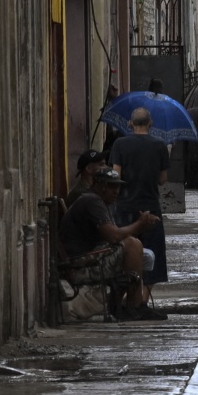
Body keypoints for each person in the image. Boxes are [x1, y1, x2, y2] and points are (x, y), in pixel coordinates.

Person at [60, 167, 163, 320]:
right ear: (100, 186)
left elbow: (114, 235)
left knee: (138, 248)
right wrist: (139, 224)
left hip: (89, 258)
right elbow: (113, 236)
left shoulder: (100, 202)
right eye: (112, 186)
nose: (116, 191)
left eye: (118, 187)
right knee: (132, 245)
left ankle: (126, 304)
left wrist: (141, 226)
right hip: (78, 265)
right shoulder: (92, 200)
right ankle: (134, 306)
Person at [109, 107, 172, 283]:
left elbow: (116, 176)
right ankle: (143, 299)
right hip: (150, 207)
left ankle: (128, 299)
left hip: (125, 208)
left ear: (130, 123)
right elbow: (162, 179)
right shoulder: (160, 145)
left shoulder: (120, 144)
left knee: (127, 255)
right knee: (153, 257)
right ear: (150, 124)